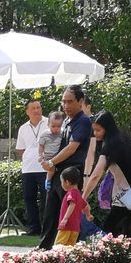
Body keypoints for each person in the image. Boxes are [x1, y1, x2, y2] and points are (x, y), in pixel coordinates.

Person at [82, 111, 131, 237]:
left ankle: (114, 255)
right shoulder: (126, 139)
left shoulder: (110, 145)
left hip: (130, 193)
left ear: (107, 128)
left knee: (109, 229)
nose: (95, 134)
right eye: (94, 130)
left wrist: (82, 198)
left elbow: (95, 175)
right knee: (128, 229)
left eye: (98, 130)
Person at [39, 86, 92, 249]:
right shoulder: (67, 121)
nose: (66, 106)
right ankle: (44, 249)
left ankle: (69, 251)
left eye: (70, 102)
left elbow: (72, 147)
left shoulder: (83, 121)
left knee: (68, 216)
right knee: (51, 213)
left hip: (71, 174)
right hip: (58, 174)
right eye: (64, 102)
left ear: (80, 101)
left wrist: (51, 163)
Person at [15, 98, 49, 236]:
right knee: (29, 198)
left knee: (47, 199)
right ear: (27, 112)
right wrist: (30, 156)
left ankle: (47, 227)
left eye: (38, 107)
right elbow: (20, 149)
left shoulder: (48, 123)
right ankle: (34, 228)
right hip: (28, 169)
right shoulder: (23, 128)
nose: (36, 110)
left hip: (45, 168)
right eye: (33, 108)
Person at [54, 166, 88, 247]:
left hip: (66, 226)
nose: (61, 184)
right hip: (75, 228)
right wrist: (88, 215)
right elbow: (85, 206)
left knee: (58, 247)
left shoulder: (71, 193)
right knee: (69, 248)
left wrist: (65, 219)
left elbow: (72, 204)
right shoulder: (78, 194)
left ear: (67, 182)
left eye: (61, 182)